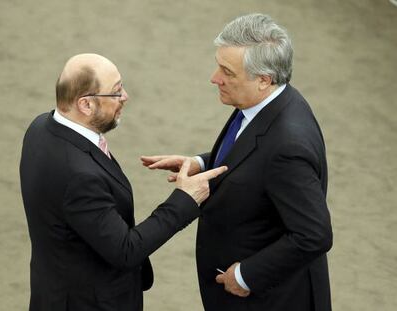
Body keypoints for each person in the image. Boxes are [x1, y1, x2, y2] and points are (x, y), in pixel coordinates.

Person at [141, 13, 333, 311]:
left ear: (263, 80)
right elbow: (251, 158)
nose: (214, 78)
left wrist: (245, 277)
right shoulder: (263, 103)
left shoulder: (289, 146)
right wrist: (202, 163)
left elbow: (314, 235)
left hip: (269, 299)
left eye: (227, 72)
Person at [19, 53, 227, 311]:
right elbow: (125, 250)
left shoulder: (41, 127)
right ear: (85, 105)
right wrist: (184, 199)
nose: (125, 97)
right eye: (116, 92)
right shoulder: (80, 177)